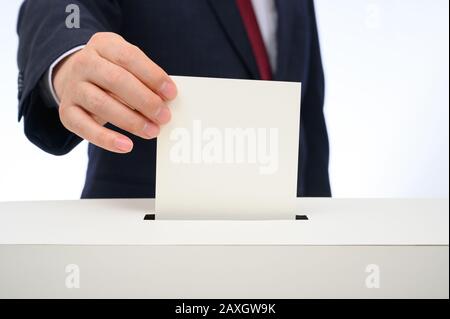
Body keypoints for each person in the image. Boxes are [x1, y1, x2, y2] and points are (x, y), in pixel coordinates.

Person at [17, 0, 331, 198]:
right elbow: (59, 7)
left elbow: (308, 115)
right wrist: (69, 56)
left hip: (283, 245)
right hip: (143, 246)